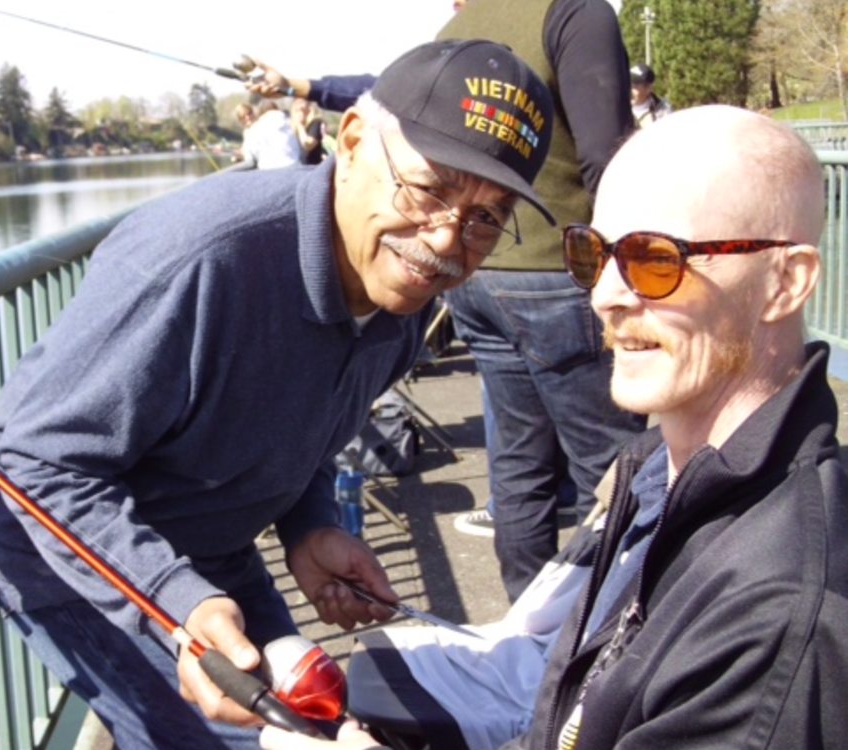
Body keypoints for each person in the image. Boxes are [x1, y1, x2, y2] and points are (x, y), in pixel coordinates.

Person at [0, 39, 556, 750]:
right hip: (60, 541)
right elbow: (32, 464)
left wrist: (308, 529)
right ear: (353, 140)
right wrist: (180, 601)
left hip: (210, 530)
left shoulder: (404, 299)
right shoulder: (200, 259)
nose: (447, 241)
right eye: (428, 189)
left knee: (318, 720)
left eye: (486, 217)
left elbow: (301, 430)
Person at [261, 104, 848, 750]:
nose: (604, 295)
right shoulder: (662, 472)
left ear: (783, 283)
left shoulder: (776, 616)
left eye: (656, 259)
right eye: (592, 254)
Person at [248, 0, 648, 602]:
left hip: (474, 276)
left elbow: (389, 100)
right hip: (553, 275)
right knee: (615, 470)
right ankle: (618, 637)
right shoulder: (576, 12)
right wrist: (644, 263)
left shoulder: (456, 29)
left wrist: (305, 86)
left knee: (518, 467)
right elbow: (607, 160)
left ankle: (530, 636)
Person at [235, 98, 302, 169]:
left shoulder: (255, 130)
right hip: (293, 164)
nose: (248, 117)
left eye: (249, 113)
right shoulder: (290, 121)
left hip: (269, 169)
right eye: (243, 117)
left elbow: (250, 159)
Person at [629, 62, 673, 127]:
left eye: (634, 86)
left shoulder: (663, 111)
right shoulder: (616, 108)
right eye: (627, 83)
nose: (629, 89)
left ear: (648, 88)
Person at [290, 97, 327, 165]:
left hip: (311, 168)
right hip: (296, 168)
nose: (299, 104)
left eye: (302, 101)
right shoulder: (290, 127)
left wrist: (299, 125)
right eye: (296, 102)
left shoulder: (316, 123)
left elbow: (308, 145)